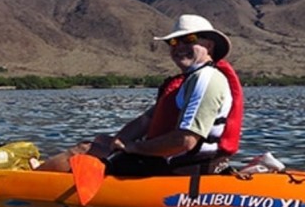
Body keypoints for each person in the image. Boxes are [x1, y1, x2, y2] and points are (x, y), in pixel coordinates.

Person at [36, 14, 243, 176]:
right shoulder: (191, 79)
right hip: (180, 160)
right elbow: (148, 119)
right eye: (173, 42)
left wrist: (134, 148)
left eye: (188, 39)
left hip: (185, 165)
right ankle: (46, 171)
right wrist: (119, 140)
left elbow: (185, 141)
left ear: (209, 45)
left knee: (83, 150)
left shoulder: (206, 79)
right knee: (101, 141)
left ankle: (33, 179)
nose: (179, 47)